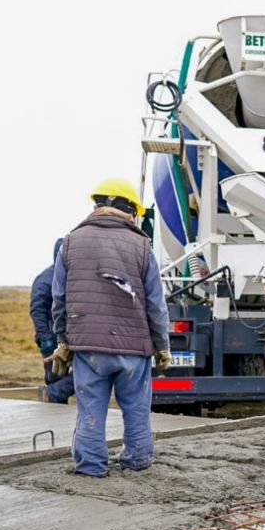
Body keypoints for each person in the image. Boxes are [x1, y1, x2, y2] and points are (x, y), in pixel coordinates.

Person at [48, 178, 171, 478]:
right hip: (134, 348)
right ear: (129, 209)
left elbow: (59, 299)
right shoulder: (142, 246)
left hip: (89, 348)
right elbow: (156, 303)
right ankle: (138, 462)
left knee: (90, 410)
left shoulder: (70, 242)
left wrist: (63, 340)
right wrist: (162, 345)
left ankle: (91, 467)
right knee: (137, 410)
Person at [30, 238, 74, 404]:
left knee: (80, 373)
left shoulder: (69, 276)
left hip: (68, 336)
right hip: (52, 337)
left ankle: (54, 396)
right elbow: (37, 310)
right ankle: (53, 400)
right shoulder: (45, 279)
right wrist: (45, 338)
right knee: (56, 375)